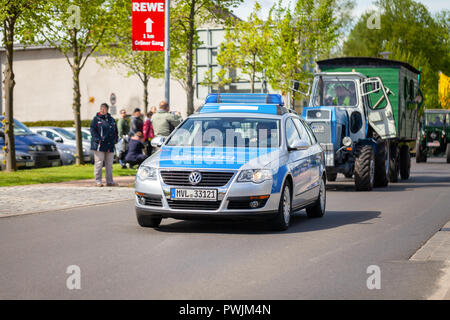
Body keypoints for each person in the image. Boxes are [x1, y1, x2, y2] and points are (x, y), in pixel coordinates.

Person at [90, 103, 118, 187]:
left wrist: (115, 140)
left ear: (107, 110)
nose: (102, 110)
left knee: (109, 164)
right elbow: (93, 130)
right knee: (99, 163)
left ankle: (110, 181)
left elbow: (115, 131)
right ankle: (98, 181)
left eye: (104, 108)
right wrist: (98, 139)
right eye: (101, 108)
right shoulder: (96, 119)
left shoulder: (111, 120)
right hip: (99, 145)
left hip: (110, 145)